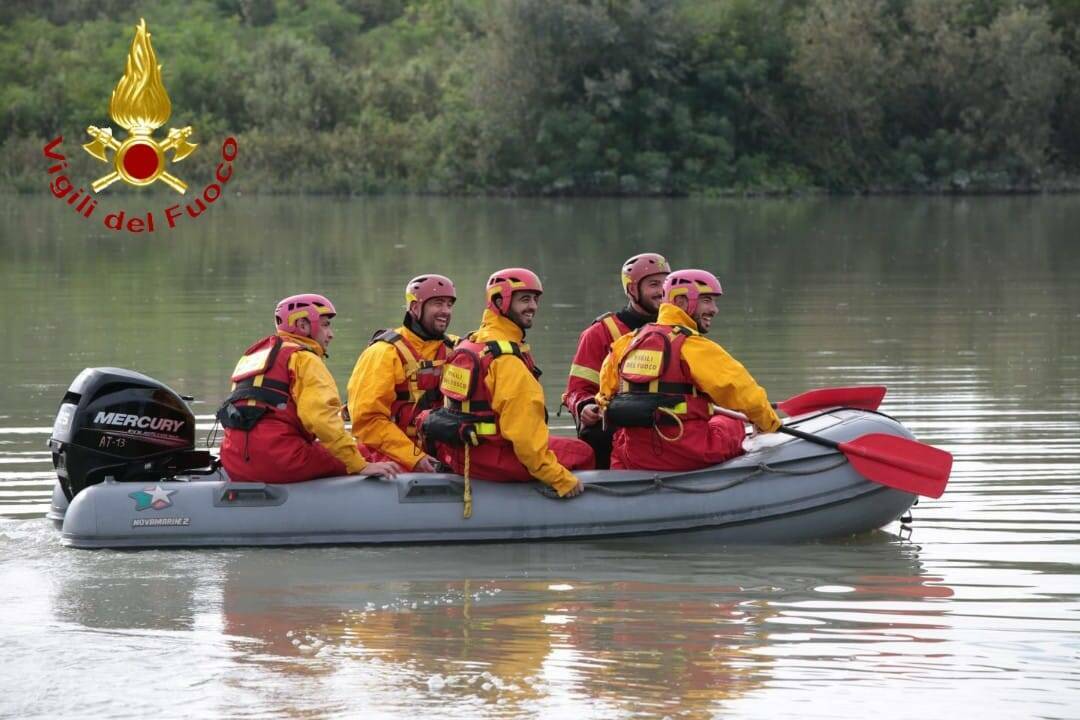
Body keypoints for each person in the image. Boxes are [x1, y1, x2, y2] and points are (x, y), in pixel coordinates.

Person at [423, 268, 594, 499]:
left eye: (535, 299)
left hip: (461, 453)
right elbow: (525, 439)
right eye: (524, 299)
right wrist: (559, 478)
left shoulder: (468, 345)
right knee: (582, 452)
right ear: (499, 301)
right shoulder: (506, 361)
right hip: (493, 459)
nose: (533, 306)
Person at [596, 270, 781, 471]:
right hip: (687, 453)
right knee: (731, 419)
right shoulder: (694, 346)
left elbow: (604, 398)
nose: (714, 309)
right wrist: (770, 426)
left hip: (634, 456)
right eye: (707, 300)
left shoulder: (626, 343)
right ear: (682, 301)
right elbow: (748, 396)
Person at [217, 294, 400, 483]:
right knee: (368, 450)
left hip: (234, 460)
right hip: (281, 461)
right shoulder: (305, 358)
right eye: (325, 325)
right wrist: (360, 464)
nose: (331, 334)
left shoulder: (253, 356)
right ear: (303, 325)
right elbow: (321, 419)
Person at [562, 252, 670, 468]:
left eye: (666, 284)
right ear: (632, 289)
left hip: (664, 423)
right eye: (654, 284)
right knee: (597, 434)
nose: (662, 291)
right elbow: (575, 390)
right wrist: (583, 406)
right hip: (615, 428)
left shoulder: (676, 330)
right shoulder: (599, 333)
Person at [346, 275, 458, 472]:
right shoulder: (383, 353)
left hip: (440, 451)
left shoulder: (457, 349)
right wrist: (414, 457)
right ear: (415, 307)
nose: (446, 311)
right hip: (392, 454)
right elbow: (367, 421)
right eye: (438, 304)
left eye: (449, 304)